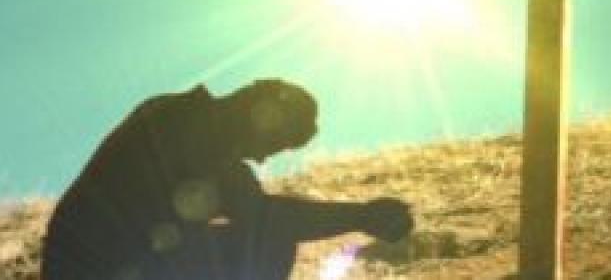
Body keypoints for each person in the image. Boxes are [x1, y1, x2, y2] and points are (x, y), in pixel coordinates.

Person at [41, 78, 414, 279]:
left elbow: (261, 215)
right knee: (271, 239)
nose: (263, 158)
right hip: (98, 267)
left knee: (267, 237)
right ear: (262, 115)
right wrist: (361, 216)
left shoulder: (192, 126)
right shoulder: (181, 121)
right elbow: (268, 220)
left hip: (110, 262)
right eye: (273, 145)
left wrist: (361, 216)